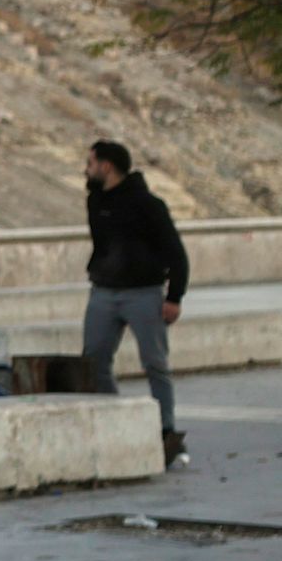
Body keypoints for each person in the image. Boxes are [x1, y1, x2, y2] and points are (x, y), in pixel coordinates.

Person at [83, 139, 190, 468]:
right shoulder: (95, 201)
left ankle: (165, 430)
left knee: (155, 363)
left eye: (90, 163)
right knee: (93, 361)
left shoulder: (148, 204)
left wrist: (173, 297)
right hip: (103, 292)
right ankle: (114, 422)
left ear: (107, 166)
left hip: (143, 293)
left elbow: (176, 252)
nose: (86, 170)